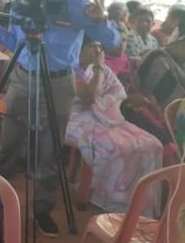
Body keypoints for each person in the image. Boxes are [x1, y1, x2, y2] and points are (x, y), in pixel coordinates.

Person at [0, 0, 121, 236]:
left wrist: (102, 20)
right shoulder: (21, 4)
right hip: (23, 78)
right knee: (8, 144)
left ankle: (41, 209)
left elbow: (113, 42)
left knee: (50, 150)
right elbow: (15, 40)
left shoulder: (74, 4)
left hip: (59, 82)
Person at [65, 40, 163, 212]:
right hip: (77, 118)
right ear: (79, 46)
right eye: (91, 45)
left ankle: (137, 200)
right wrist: (98, 68)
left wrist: (103, 105)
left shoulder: (102, 69)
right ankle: (110, 199)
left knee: (153, 144)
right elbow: (90, 97)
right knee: (117, 147)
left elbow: (118, 92)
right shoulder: (69, 69)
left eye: (99, 46)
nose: (97, 50)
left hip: (107, 117)